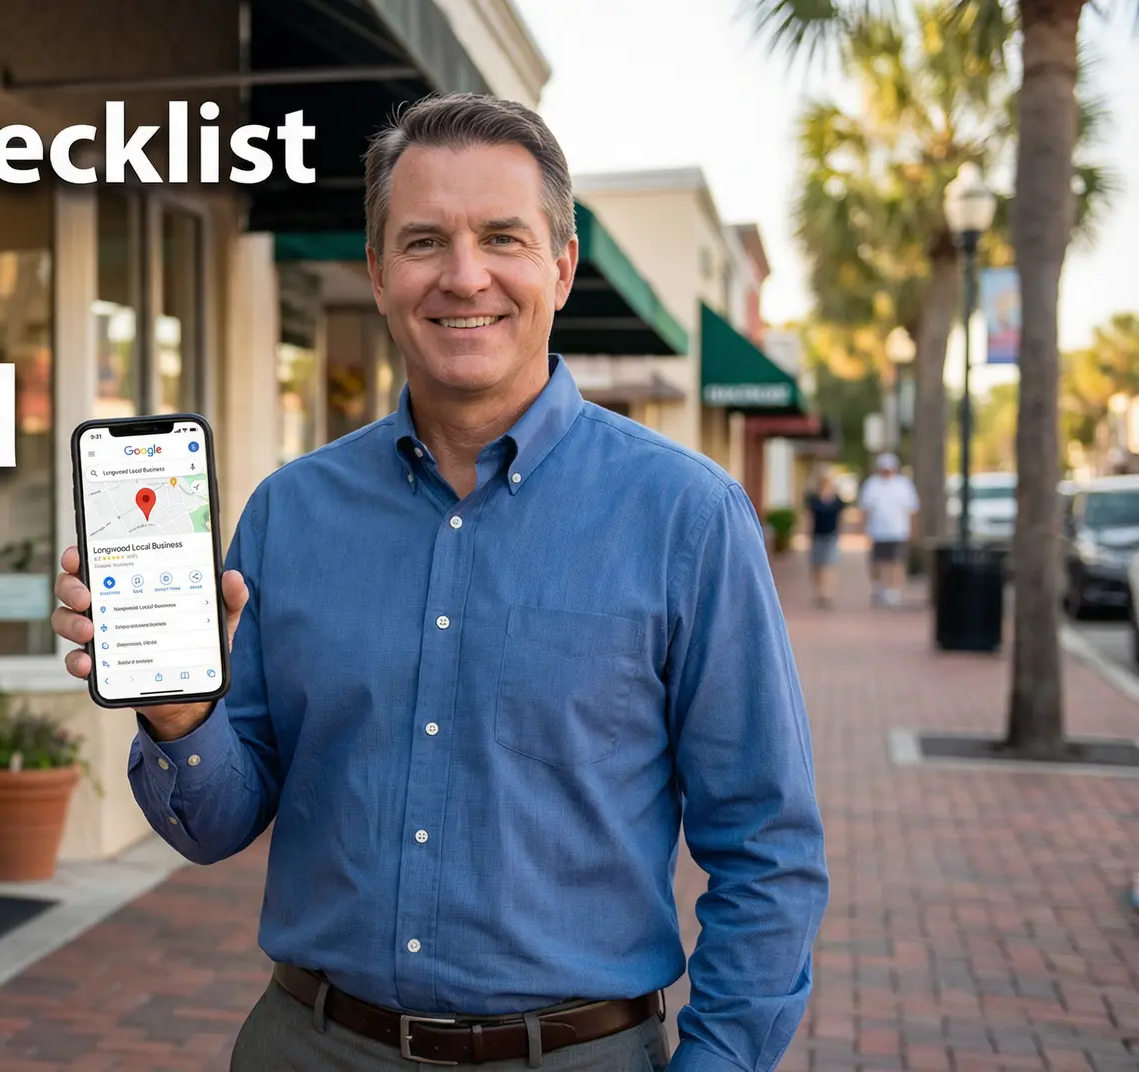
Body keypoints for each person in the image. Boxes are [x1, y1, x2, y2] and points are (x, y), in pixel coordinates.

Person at [50, 94, 826, 1071]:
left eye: (502, 236)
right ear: (378, 274)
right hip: (310, 1046)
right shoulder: (289, 515)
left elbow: (768, 847)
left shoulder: (686, 517)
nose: (465, 277)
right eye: (424, 242)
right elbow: (212, 825)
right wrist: (177, 718)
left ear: (562, 265)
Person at [857, 453, 918, 607]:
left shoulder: (903, 485)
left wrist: (912, 529)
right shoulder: (872, 485)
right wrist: (863, 527)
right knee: (877, 562)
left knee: (896, 561)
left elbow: (912, 509)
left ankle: (893, 591)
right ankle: (879, 587)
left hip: (898, 530)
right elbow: (865, 509)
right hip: (877, 531)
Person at [806, 467, 847, 608]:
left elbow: (842, 517)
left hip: (832, 535)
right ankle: (818, 592)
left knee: (829, 565)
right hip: (817, 535)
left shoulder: (837, 499)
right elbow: (808, 517)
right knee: (817, 566)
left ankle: (827, 594)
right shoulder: (813, 498)